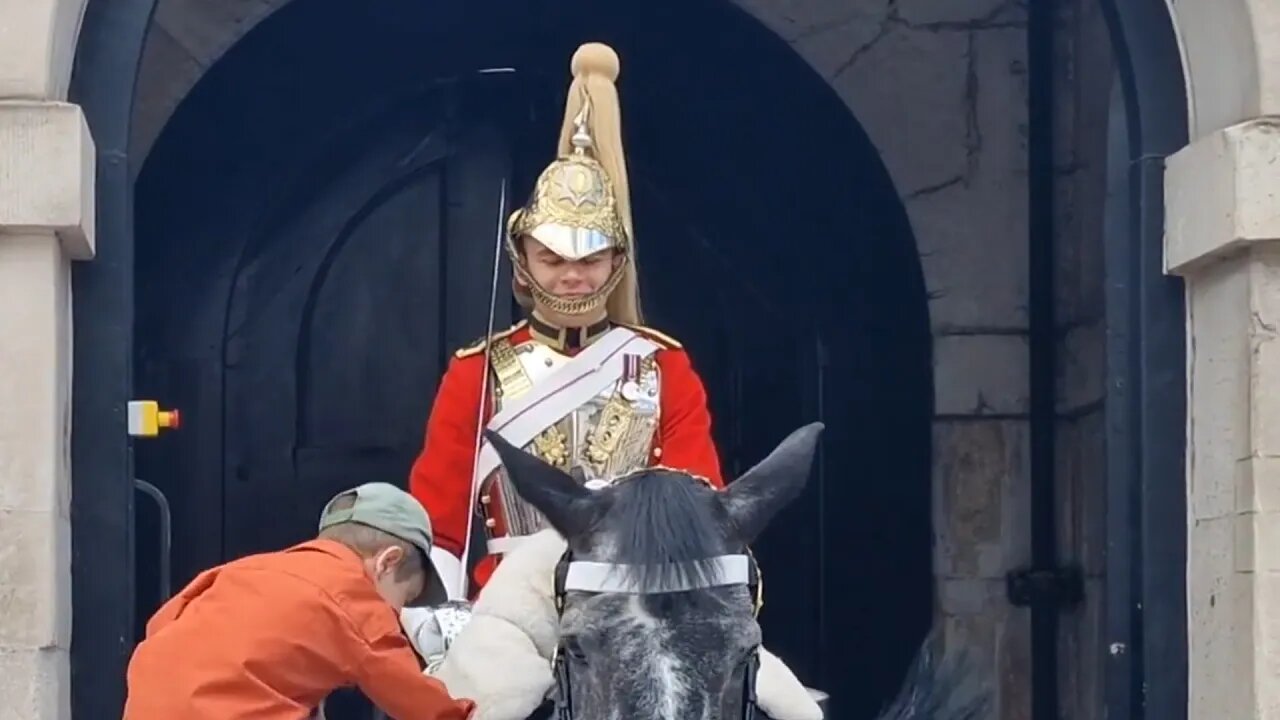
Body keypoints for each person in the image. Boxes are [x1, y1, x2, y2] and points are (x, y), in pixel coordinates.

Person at [407, 41, 724, 601]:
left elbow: (696, 505)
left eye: (588, 260)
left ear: (615, 263)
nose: (571, 276)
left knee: (772, 690)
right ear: (523, 261)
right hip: (511, 603)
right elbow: (441, 520)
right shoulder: (478, 370)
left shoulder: (663, 365)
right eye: (552, 259)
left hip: (637, 598)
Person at [122, 482, 477, 720]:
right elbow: (423, 707)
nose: (397, 615)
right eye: (406, 597)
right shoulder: (353, 599)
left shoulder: (241, 572)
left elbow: (161, 627)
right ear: (387, 561)